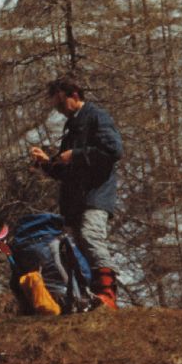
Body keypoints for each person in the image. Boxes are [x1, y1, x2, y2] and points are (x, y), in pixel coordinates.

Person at [29, 74, 123, 309]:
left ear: (74, 95)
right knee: (80, 243)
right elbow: (66, 171)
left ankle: (107, 295)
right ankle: (91, 296)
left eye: (61, 103)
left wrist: (75, 154)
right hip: (77, 199)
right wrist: (47, 163)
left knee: (91, 236)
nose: (59, 110)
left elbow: (113, 151)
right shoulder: (72, 126)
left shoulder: (97, 117)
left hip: (96, 194)